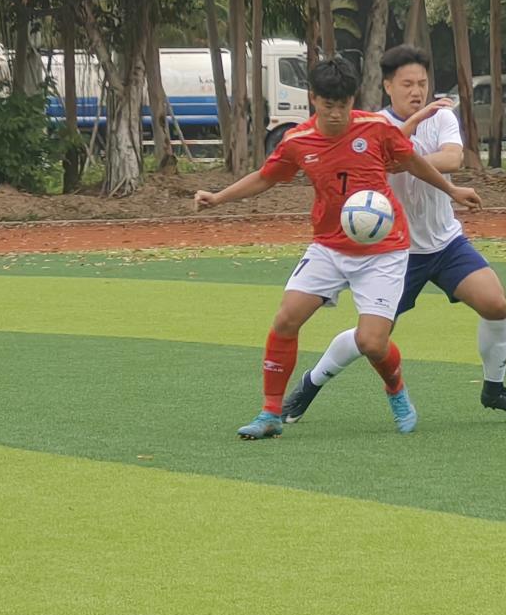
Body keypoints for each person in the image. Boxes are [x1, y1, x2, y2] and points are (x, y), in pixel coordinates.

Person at [194, 57, 482, 440]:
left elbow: (413, 162)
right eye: (327, 105)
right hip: (328, 247)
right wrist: (218, 198)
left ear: (353, 100)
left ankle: (395, 389)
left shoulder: (376, 129)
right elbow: (266, 177)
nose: (335, 114)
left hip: (383, 250)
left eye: (342, 105)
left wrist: (452, 189)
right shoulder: (297, 141)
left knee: (371, 343)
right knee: (286, 319)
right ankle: (270, 414)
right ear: (313, 99)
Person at [282, 45, 506, 426]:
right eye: (407, 84)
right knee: (370, 340)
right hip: (394, 252)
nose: (417, 91)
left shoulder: (442, 115)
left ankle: (494, 389)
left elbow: (452, 158)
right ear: (387, 86)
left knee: (495, 304)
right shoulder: (371, 125)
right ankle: (310, 384)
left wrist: (404, 157)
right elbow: (376, 159)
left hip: (445, 242)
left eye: (422, 83)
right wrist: (403, 140)